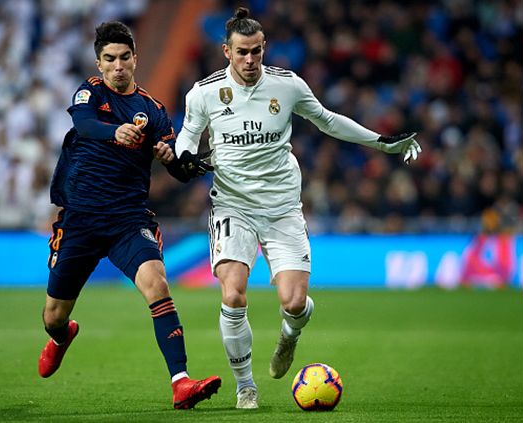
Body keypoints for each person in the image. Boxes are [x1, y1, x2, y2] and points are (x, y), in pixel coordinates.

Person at [175, 7, 422, 409]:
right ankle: (245, 386)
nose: (250, 60)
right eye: (242, 52)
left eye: (256, 51)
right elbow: (187, 135)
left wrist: (381, 142)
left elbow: (327, 120)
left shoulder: (287, 86)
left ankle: (289, 336)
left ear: (264, 48)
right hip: (232, 206)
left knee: (293, 303)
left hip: (282, 208)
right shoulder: (203, 92)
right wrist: (185, 157)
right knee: (233, 294)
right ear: (226, 51)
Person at [37, 21, 219, 410]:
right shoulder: (89, 93)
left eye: (124, 58)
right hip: (80, 221)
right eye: (109, 59)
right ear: (99, 63)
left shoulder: (152, 111)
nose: (117, 66)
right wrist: (114, 132)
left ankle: (181, 382)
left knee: (158, 285)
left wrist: (174, 160)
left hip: (128, 220)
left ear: (134, 59)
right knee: (52, 316)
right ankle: (60, 336)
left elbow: (177, 170)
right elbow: (84, 125)